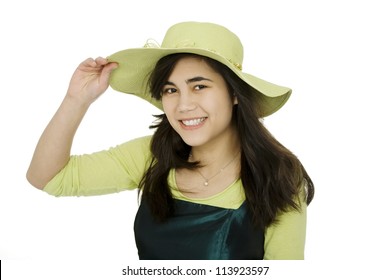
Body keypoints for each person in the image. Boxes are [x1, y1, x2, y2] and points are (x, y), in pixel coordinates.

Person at [26, 21, 314, 260]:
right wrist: (76, 100)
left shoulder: (277, 177)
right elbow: (48, 177)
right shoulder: (151, 155)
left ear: (235, 93)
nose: (183, 105)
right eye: (170, 90)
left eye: (199, 86)